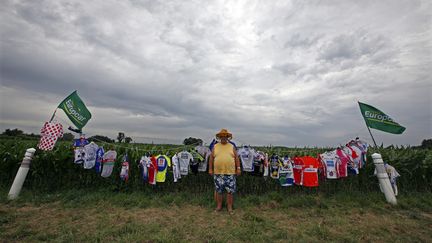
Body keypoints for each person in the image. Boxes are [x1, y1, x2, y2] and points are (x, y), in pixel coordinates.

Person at [208, 128, 241, 214]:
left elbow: (236, 158)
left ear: (227, 137)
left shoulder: (232, 146)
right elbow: (211, 158)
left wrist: (238, 168)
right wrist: (210, 169)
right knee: (219, 191)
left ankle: (229, 207)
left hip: (230, 172)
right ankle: (219, 206)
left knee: (230, 191)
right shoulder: (215, 146)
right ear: (219, 137)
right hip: (218, 173)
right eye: (222, 136)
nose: (223, 138)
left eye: (225, 136)